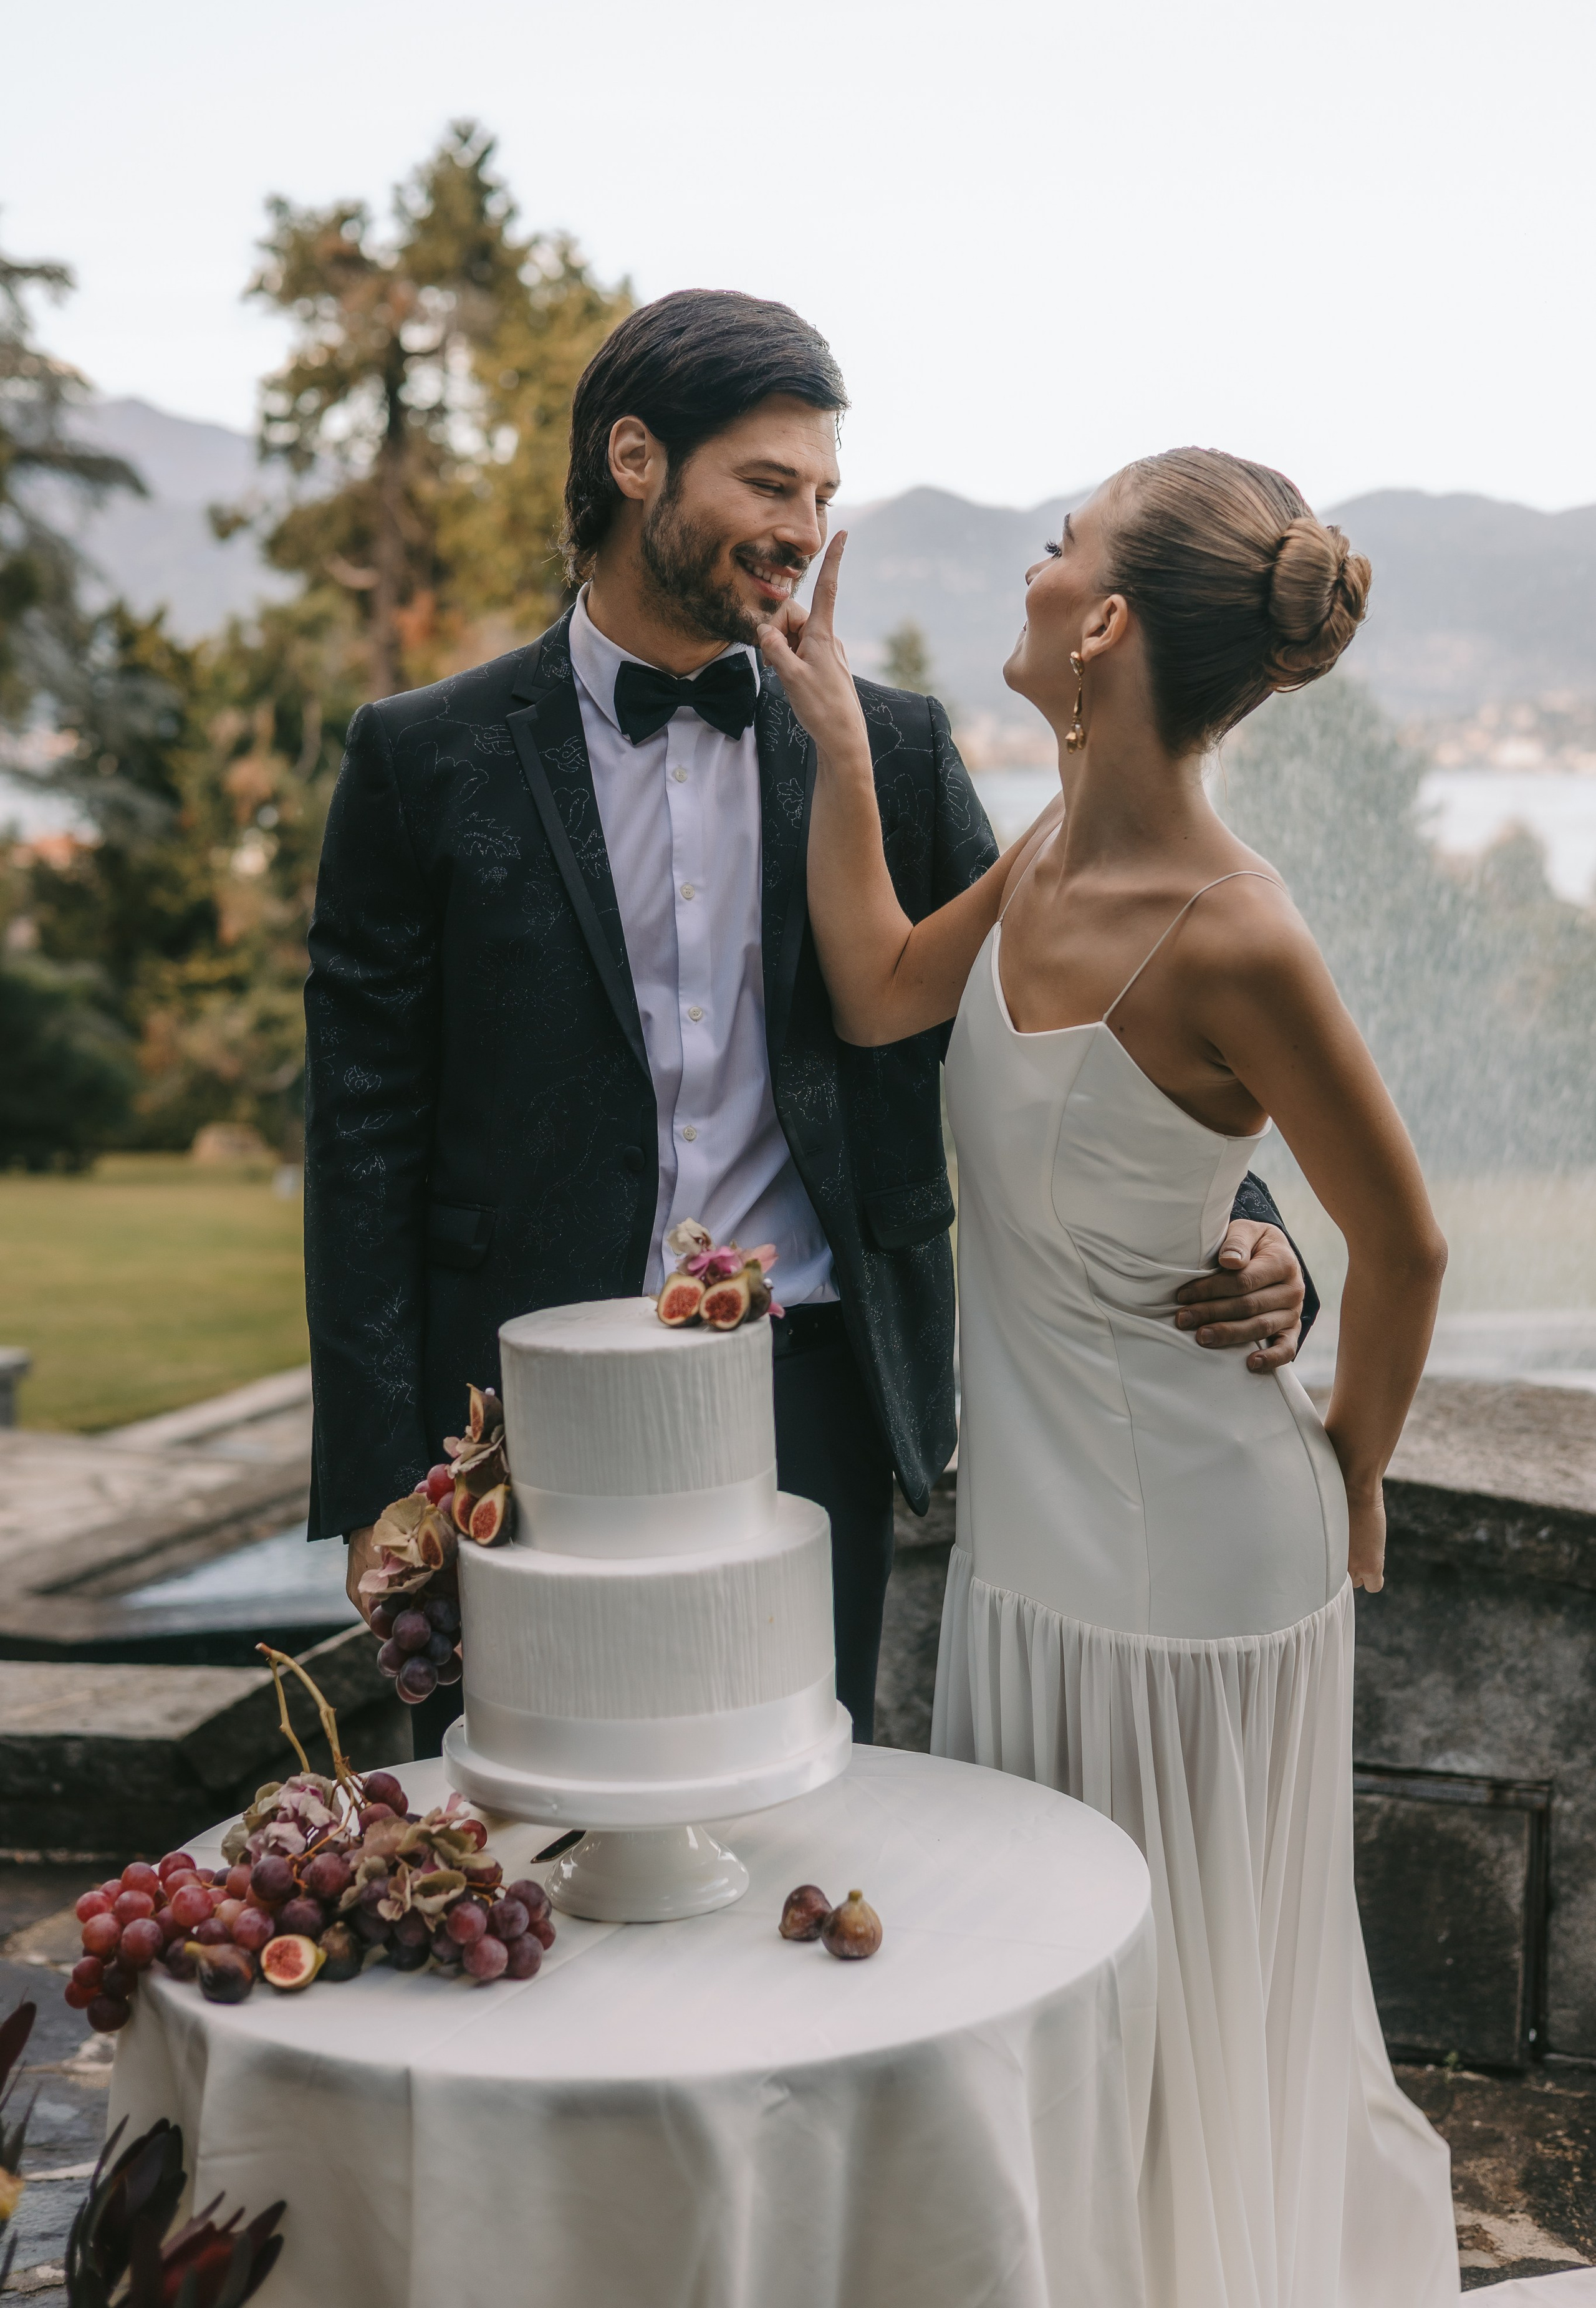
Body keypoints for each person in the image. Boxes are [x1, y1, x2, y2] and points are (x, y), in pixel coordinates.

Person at [304, 293, 1310, 1753]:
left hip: (815, 1391)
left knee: (795, 1817)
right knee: (524, 1834)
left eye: (822, 494)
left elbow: (1081, 1000)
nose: (802, 527)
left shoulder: (890, 750)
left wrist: (1257, 1218)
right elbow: (361, 1130)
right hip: (520, 1397)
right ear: (634, 459)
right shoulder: (421, 759)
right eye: (768, 484)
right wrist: (376, 1481)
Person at [760, 450, 1458, 2305]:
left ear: (1114, 622)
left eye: (1061, 543)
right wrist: (837, 747)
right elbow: (882, 988)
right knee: (1053, 2015)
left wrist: (1357, 1469)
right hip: (1033, 1564)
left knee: (1178, 2025)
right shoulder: (1050, 849)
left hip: (1202, 1584)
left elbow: (1404, 1245)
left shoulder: (1237, 929)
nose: (1037, 562)